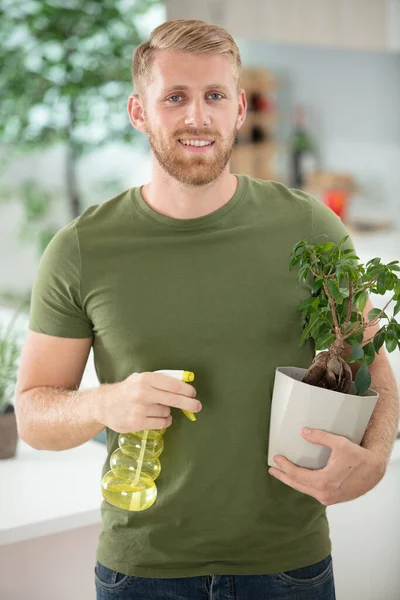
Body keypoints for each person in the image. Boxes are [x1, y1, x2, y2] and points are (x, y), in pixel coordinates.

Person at [15, 19, 399, 600]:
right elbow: (33, 417)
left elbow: (375, 367)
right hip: (140, 573)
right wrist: (108, 402)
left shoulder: (310, 227)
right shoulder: (80, 249)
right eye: (175, 97)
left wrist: (375, 459)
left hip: (289, 566)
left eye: (214, 95)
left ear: (240, 108)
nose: (197, 117)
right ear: (139, 112)